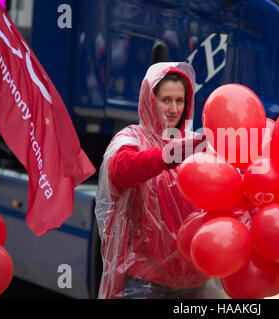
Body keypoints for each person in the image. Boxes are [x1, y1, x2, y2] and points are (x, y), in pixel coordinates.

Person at [95, 62, 211, 299]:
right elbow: (121, 171)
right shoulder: (132, 137)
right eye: (166, 100)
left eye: (180, 101)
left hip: (193, 280)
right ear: (150, 100)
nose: (173, 108)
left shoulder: (194, 144)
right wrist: (166, 156)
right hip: (145, 279)